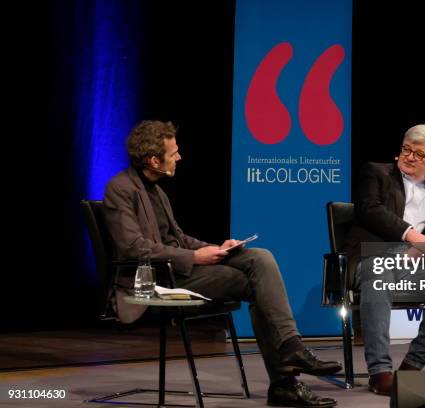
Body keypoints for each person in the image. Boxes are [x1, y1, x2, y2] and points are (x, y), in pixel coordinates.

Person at [103, 120, 341, 407]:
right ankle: (285, 377)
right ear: (154, 160)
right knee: (258, 284)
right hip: (152, 282)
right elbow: (132, 248)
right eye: (174, 152)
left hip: (177, 270)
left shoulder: (157, 191)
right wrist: (193, 257)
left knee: (260, 257)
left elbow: (177, 237)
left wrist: (213, 248)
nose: (180, 157)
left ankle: (290, 353)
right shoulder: (120, 188)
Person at [342, 124, 425, 396]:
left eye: (419, 154)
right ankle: (380, 372)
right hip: (372, 259)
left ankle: (412, 366)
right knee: (380, 271)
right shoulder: (375, 172)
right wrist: (412, 236)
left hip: (415, 265)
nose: (409, 157)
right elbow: (369, 210)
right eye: (406, 149)